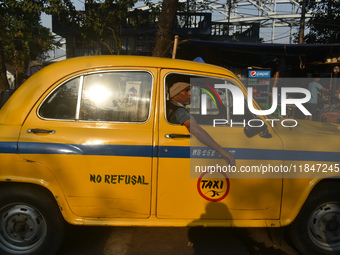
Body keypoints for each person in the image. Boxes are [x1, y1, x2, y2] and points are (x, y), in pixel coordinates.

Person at [167, 82, 235, 166]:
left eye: (190, 90)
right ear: (175, 94)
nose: (190, 93)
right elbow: (194, 129)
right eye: (186, 90)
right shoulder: (178, 110)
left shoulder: (172, 106)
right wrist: (220, 149)